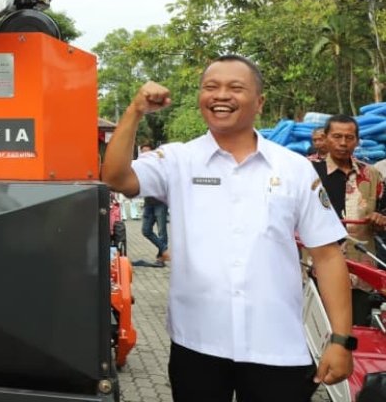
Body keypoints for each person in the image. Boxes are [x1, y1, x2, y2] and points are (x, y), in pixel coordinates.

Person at [102, 55, 353, 401]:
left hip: (277, 346)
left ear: (259, 102)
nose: (221, 95)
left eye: (236, 88)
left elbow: (326, 255)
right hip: (197, 345)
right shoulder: (178, 161)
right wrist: (135, 111)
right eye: (211, 87)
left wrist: (340, 339)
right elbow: (115, 177)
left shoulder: (293, 169)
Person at [310, 115, 385, 271]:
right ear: (325, 137)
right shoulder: (308, 172)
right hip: (320, 268)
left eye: (349, 138)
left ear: (357, 141)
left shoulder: (372, 175)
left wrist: (379, 220)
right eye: (337, 137)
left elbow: (383, 212)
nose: (343, 143)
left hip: (362, 270)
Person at [139, 142, 170, 265]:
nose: (145, 154)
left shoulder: (160, 165)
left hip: (160, 202)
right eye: (143, 152)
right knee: (146, 230)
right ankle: (164, 250)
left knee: (162, 231)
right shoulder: (141, 167)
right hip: (148, 203)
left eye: (148, 152)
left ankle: (161, 258)